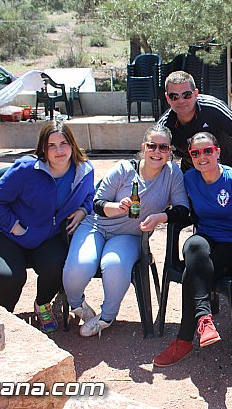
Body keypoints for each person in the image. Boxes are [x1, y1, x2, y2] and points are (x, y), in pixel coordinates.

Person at [62, 124, 189, 337]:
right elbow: (97, 203)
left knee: (114, 265)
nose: (157, 152)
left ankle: (105, 318)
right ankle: (78, 306)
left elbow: (182, 209)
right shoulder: (124, 169)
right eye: (152, 146)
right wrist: (118, 207)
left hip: (129, 235)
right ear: (143, 147)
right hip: (97, 226)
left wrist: (160, 217)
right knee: (80, 267)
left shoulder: (172, 173)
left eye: (163, 147)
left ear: (170, 152)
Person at [0, 119, 95, 333]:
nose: (59, 150)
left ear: (72, 144)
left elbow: (90, 195)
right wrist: (15, 227)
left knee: (58, 266)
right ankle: (2, 322)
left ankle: (42, 305)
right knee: (10, 278)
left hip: (45, 237)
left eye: (64, 143)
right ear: (43, 148)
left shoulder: (84, 171)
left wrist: (83, 210)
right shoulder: (26, 169)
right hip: (6, 235)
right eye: (52, 145)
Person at [153, 132, 232, 367]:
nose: (202, 156)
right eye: (196, 153)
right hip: (206, 236)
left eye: (207, 150)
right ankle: (204, 320)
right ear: (190, 157)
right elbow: (162, 180)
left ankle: (185, 338)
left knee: (192, 273)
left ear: (218, 152)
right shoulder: (189, 178)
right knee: (194, 244)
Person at [156, 70, 232, 172]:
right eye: (174, 96)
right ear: (167, 98)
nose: (181, 101)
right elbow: (153, 154)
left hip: (225, 166)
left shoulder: (213, 109)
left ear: (195, 93)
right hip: (191, 172)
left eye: (186, 95)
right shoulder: (164, 125)